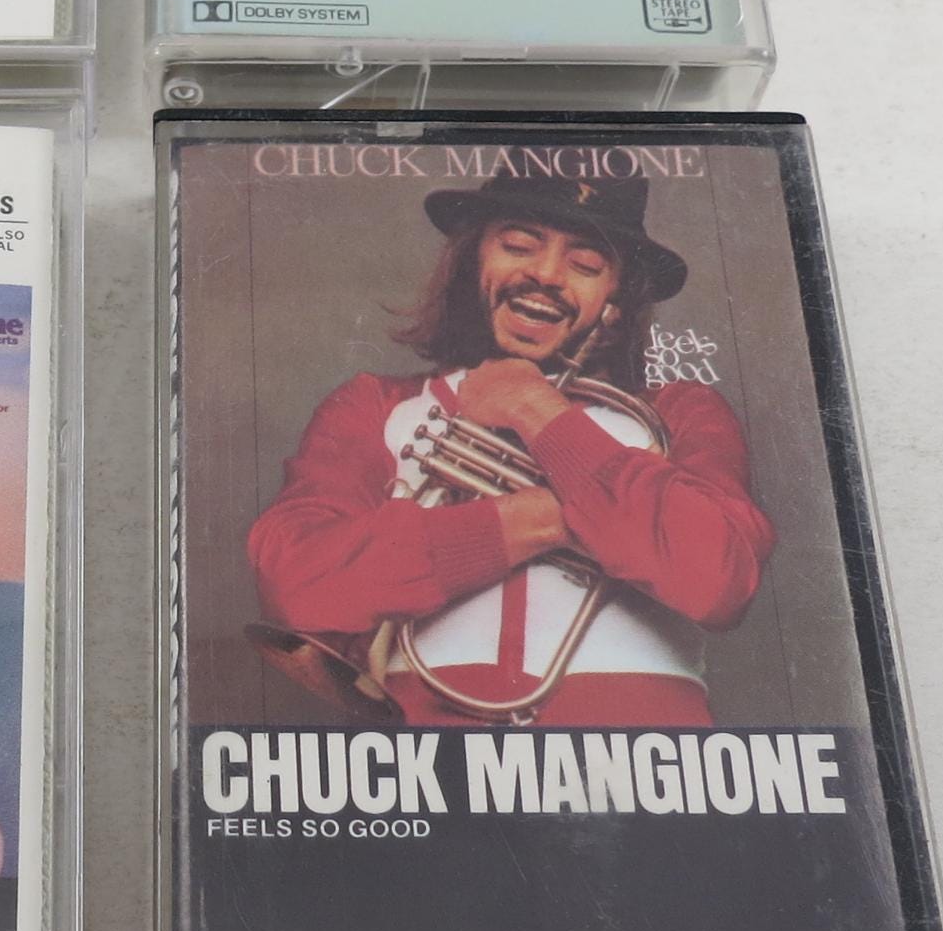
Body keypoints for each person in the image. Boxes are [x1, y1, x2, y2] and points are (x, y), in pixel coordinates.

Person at [247, 173, 773, 726]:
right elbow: (293, 584)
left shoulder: (680, 412)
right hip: (426, 748)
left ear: (616, 303)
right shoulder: (375, 404)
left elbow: (720, 580)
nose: (545, 274)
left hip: (639, 748)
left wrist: (534, 408)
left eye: (586, 264)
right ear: (471, 261)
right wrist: (532, 521)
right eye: (518, 245)